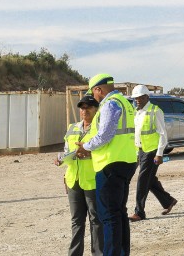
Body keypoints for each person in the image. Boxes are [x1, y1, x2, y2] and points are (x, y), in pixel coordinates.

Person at [75, 73, 138, 256]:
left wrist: (86, 146)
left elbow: (105, 135)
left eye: (93, 93)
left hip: (110, 164)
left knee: (109, 216)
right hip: (125, 162)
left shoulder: (110, 104)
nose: (93, 97)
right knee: (119, 213)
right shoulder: (125, 102)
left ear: (98, 90)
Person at [55, 95, 103, 256]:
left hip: (92, 180)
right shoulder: (72, 127)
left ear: (96, 109)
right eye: (82, 108)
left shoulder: (101, 129)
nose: (84, 110)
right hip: (73, 180)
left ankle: (98, 253)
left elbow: (105, 153)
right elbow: (66, 150)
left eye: (88, 107)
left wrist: (90, 155)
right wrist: (61, 159)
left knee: (96, 220)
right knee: (76, 221)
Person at [129, 85, 177, 222]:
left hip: (152, 151)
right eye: (135, 98)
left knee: (142, 181)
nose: (137, 100)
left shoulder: (155, 111)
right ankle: (168, 201)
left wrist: (160, 153)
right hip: (140, 150)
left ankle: (139, 212)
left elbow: (163, 134)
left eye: (140, 97)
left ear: (146, 97)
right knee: (149, 180)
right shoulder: (136, 112)